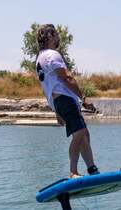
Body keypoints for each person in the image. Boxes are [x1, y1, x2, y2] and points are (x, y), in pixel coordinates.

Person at [36, 24, 99, 178]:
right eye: (56, 34)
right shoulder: (52, 55)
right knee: (80, 133)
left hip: (60, 101)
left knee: (84, 135)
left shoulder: (40, 58)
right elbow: (66, 78)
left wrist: (56, 110)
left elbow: (46, 87)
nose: (58, 37)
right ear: (50, 36)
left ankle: (92, 170)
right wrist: (83, 98)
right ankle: (73, 172)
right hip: (65, 100)